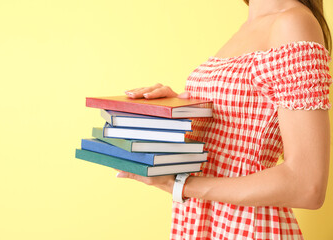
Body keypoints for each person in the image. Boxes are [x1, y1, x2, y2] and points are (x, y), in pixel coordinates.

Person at [116, 0, 332, 239]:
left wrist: (182, 186)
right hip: (200, 218)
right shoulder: (248, 26)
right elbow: (233, 132)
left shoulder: (293, 23)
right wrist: (176, 110)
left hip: (248, 225)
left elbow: (306, 185)